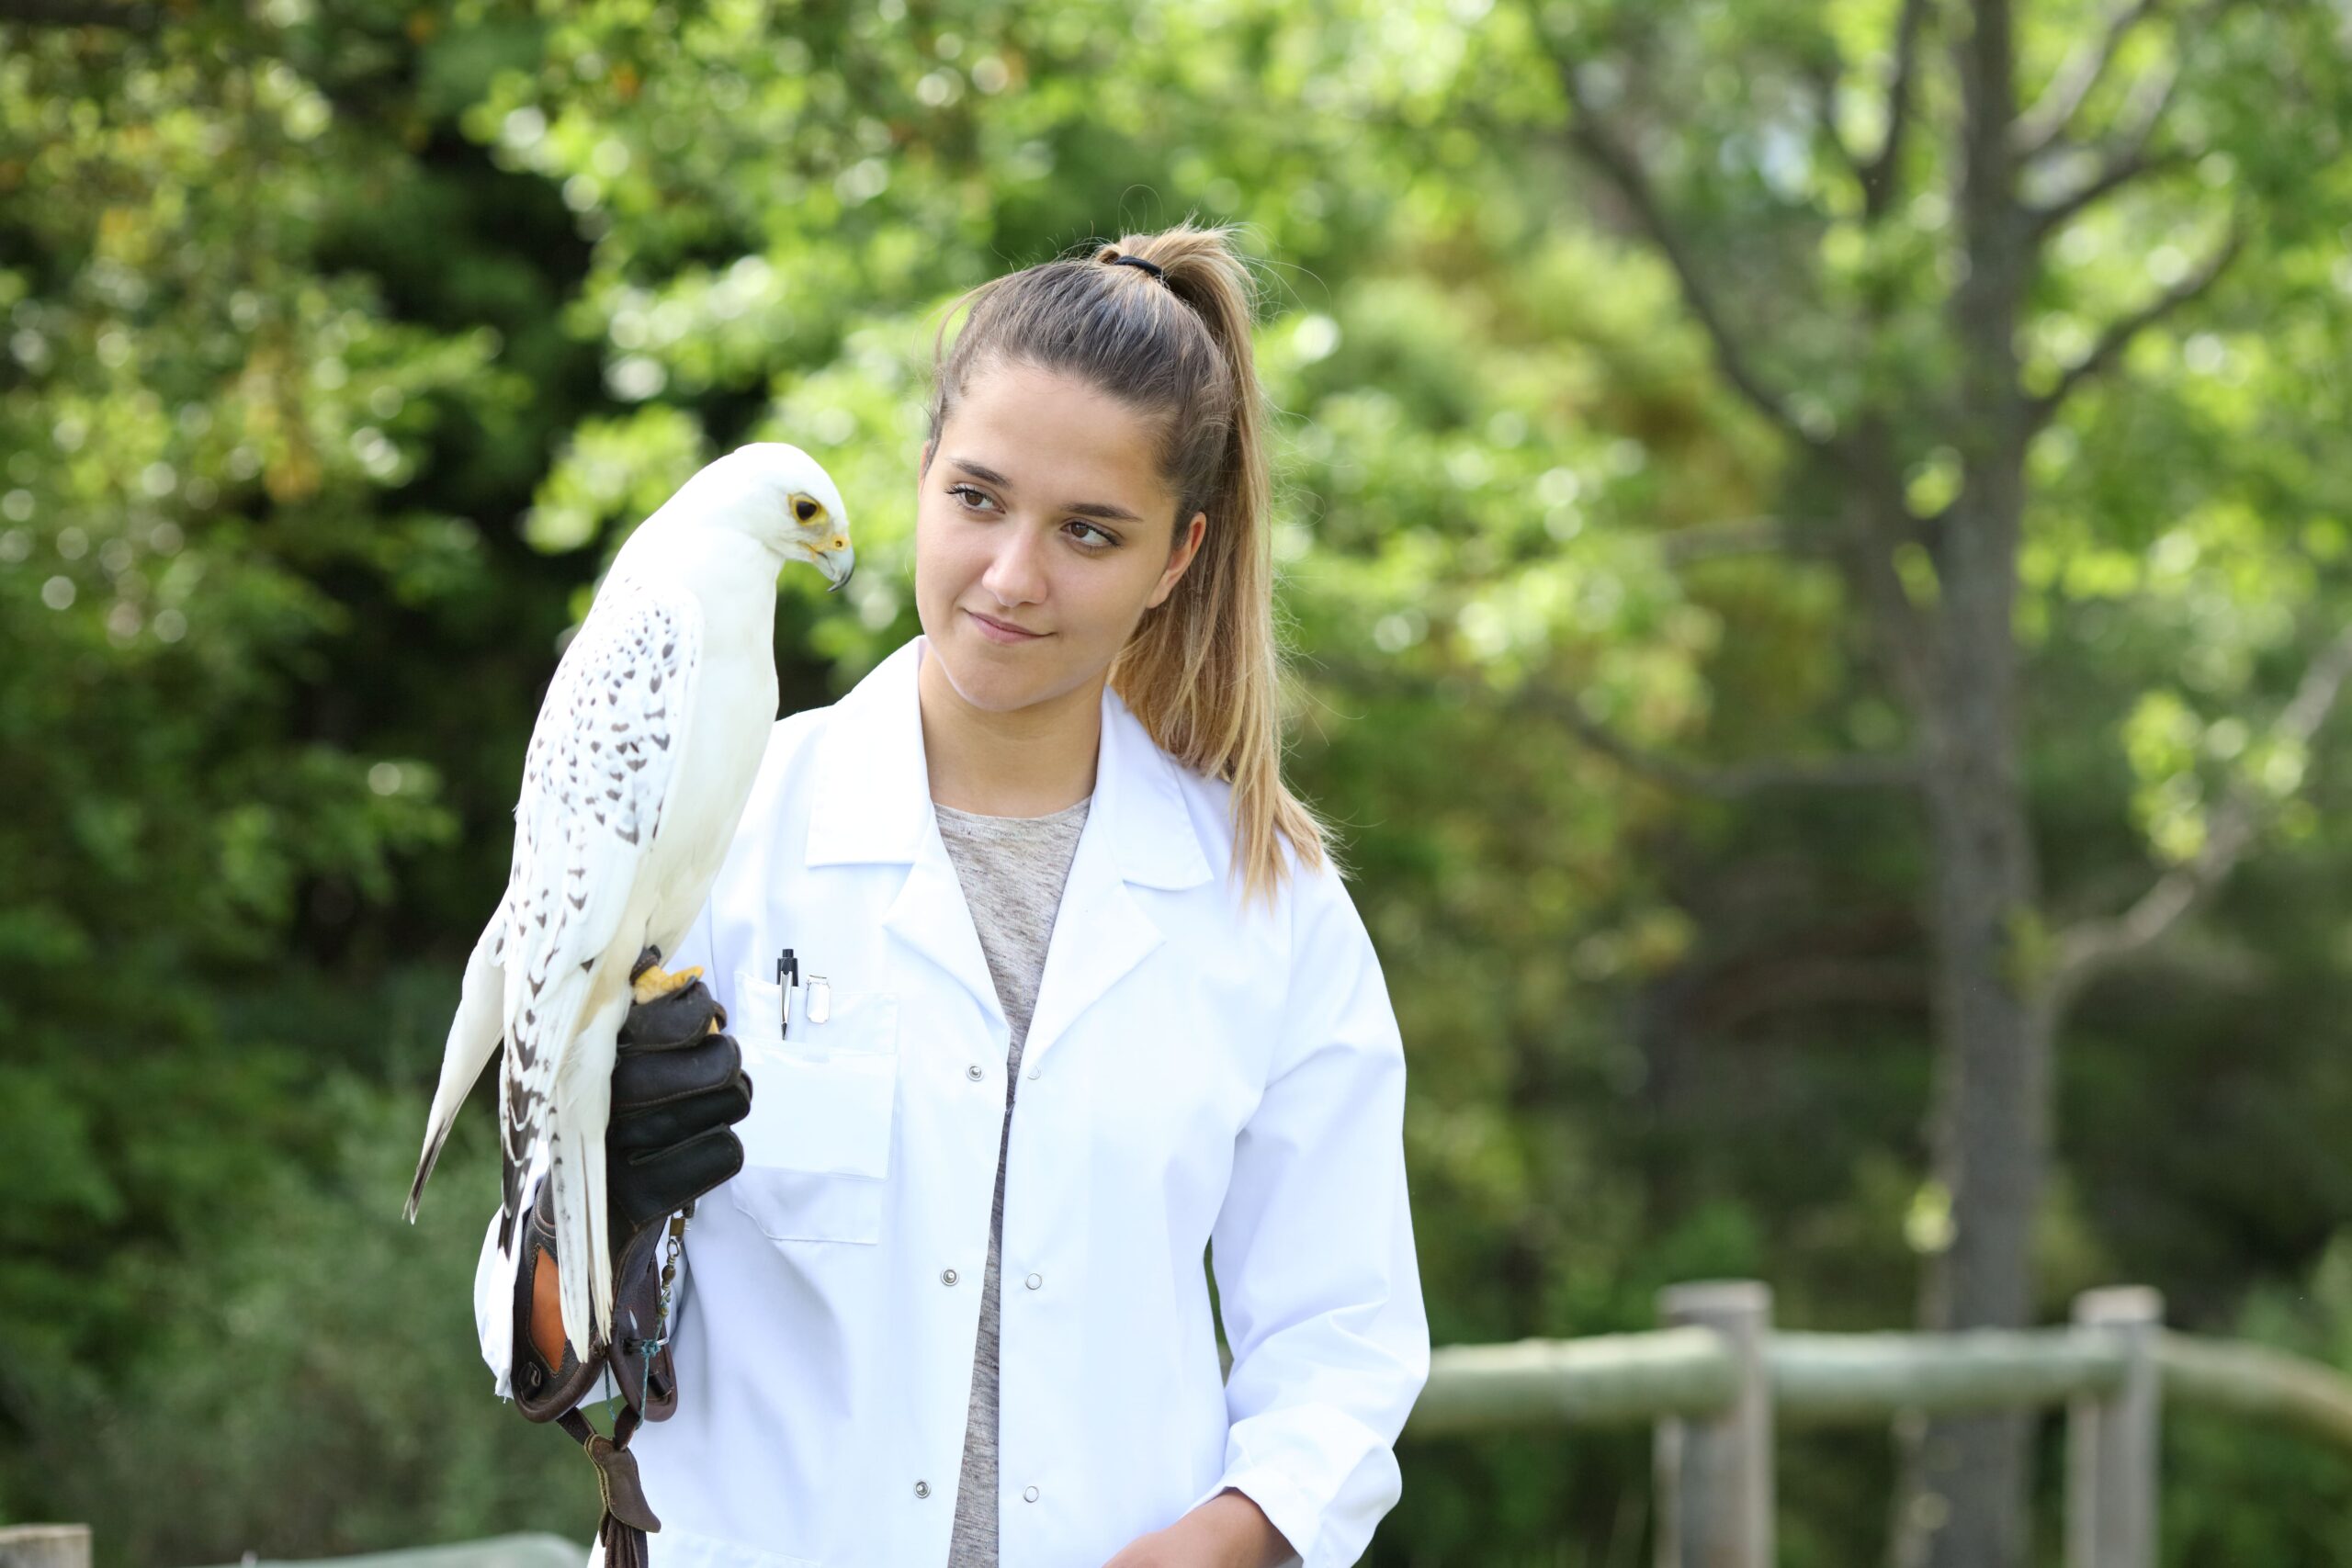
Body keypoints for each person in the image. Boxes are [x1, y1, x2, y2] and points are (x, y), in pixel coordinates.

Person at [474, 220, 1430, 1568]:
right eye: (977, 500)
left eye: (1090, 533)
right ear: (921, 478)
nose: (1011, 577)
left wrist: (1226, 1539)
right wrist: (597, 1199)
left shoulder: (1268, 906)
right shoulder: (720, 830)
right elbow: (524, 1342)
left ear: (1177, 558)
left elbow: (1344, 1338)